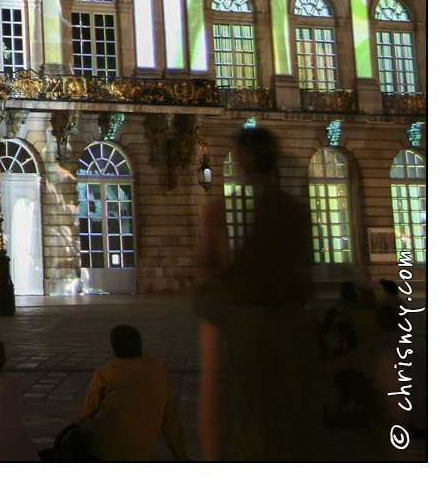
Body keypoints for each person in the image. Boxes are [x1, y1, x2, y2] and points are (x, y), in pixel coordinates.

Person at [194, 125, 318, 460]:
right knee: (293, 417)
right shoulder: (295, 211)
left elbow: (207, 266)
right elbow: (306, 272)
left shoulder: (221, 210)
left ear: (240, 161)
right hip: (292, 322)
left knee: (245, 417)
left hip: (242, 323)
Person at [75, 325, 188, 460]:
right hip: (141, 453)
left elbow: (85, 415)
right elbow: (170, 418)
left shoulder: (105, 373)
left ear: (114, 348)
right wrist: (181, 455)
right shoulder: (158, 368)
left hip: (102, 451)